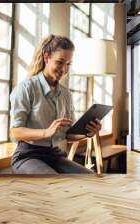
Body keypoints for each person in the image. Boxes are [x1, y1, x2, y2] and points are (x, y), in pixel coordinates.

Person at [9, 34, 102, 174]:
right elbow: (16, 131)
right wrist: (46, 132)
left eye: (68, 64)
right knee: (53, 182)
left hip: (53, 155)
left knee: (90, 177)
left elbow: (69, 135)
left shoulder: (66, 94)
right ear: (47, 57)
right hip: (27, 156)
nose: (64, 69)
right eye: (60, 62)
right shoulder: (26, 88)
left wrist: (88, 133)